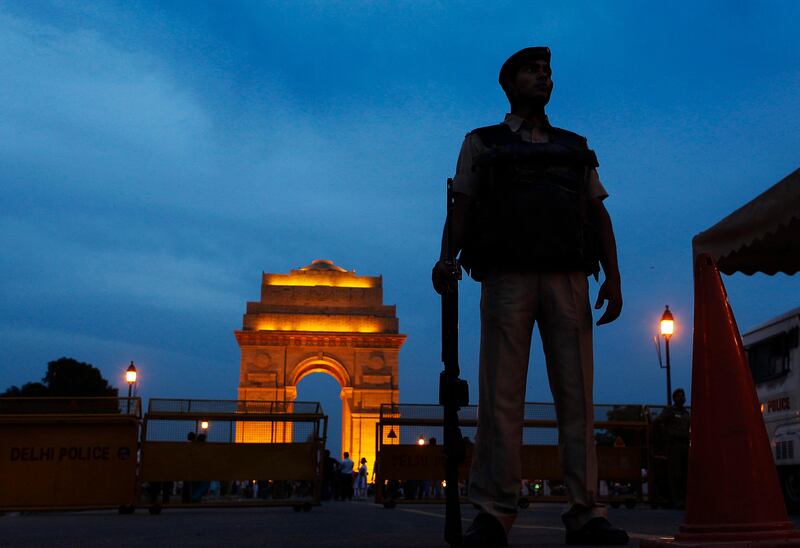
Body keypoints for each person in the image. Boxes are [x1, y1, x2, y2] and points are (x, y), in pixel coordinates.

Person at [432, 46, 628, 546]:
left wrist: (614, 275)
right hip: (507, 275)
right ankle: (496, 512)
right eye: (531, 70)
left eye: (547, 72)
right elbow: (462, 205)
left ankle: (585, 511)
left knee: (578, 397)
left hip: (566, 277)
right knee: (501, 398)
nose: (543, 77)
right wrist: (445, 255)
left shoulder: (572, 145)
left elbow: (597, 213)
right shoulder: (480, 142)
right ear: (509, 82)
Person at [654, 388, 690, 508]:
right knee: (675, 474)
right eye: (679, 396)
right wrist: (668, 434)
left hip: (685, 444)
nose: (682, 398)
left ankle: (684, 499)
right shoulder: (670, 411)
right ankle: (677, 500)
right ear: (674, 398)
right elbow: (658, 421)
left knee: (685, 473)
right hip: (674, 445)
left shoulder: (686, 413)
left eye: (683, 396)